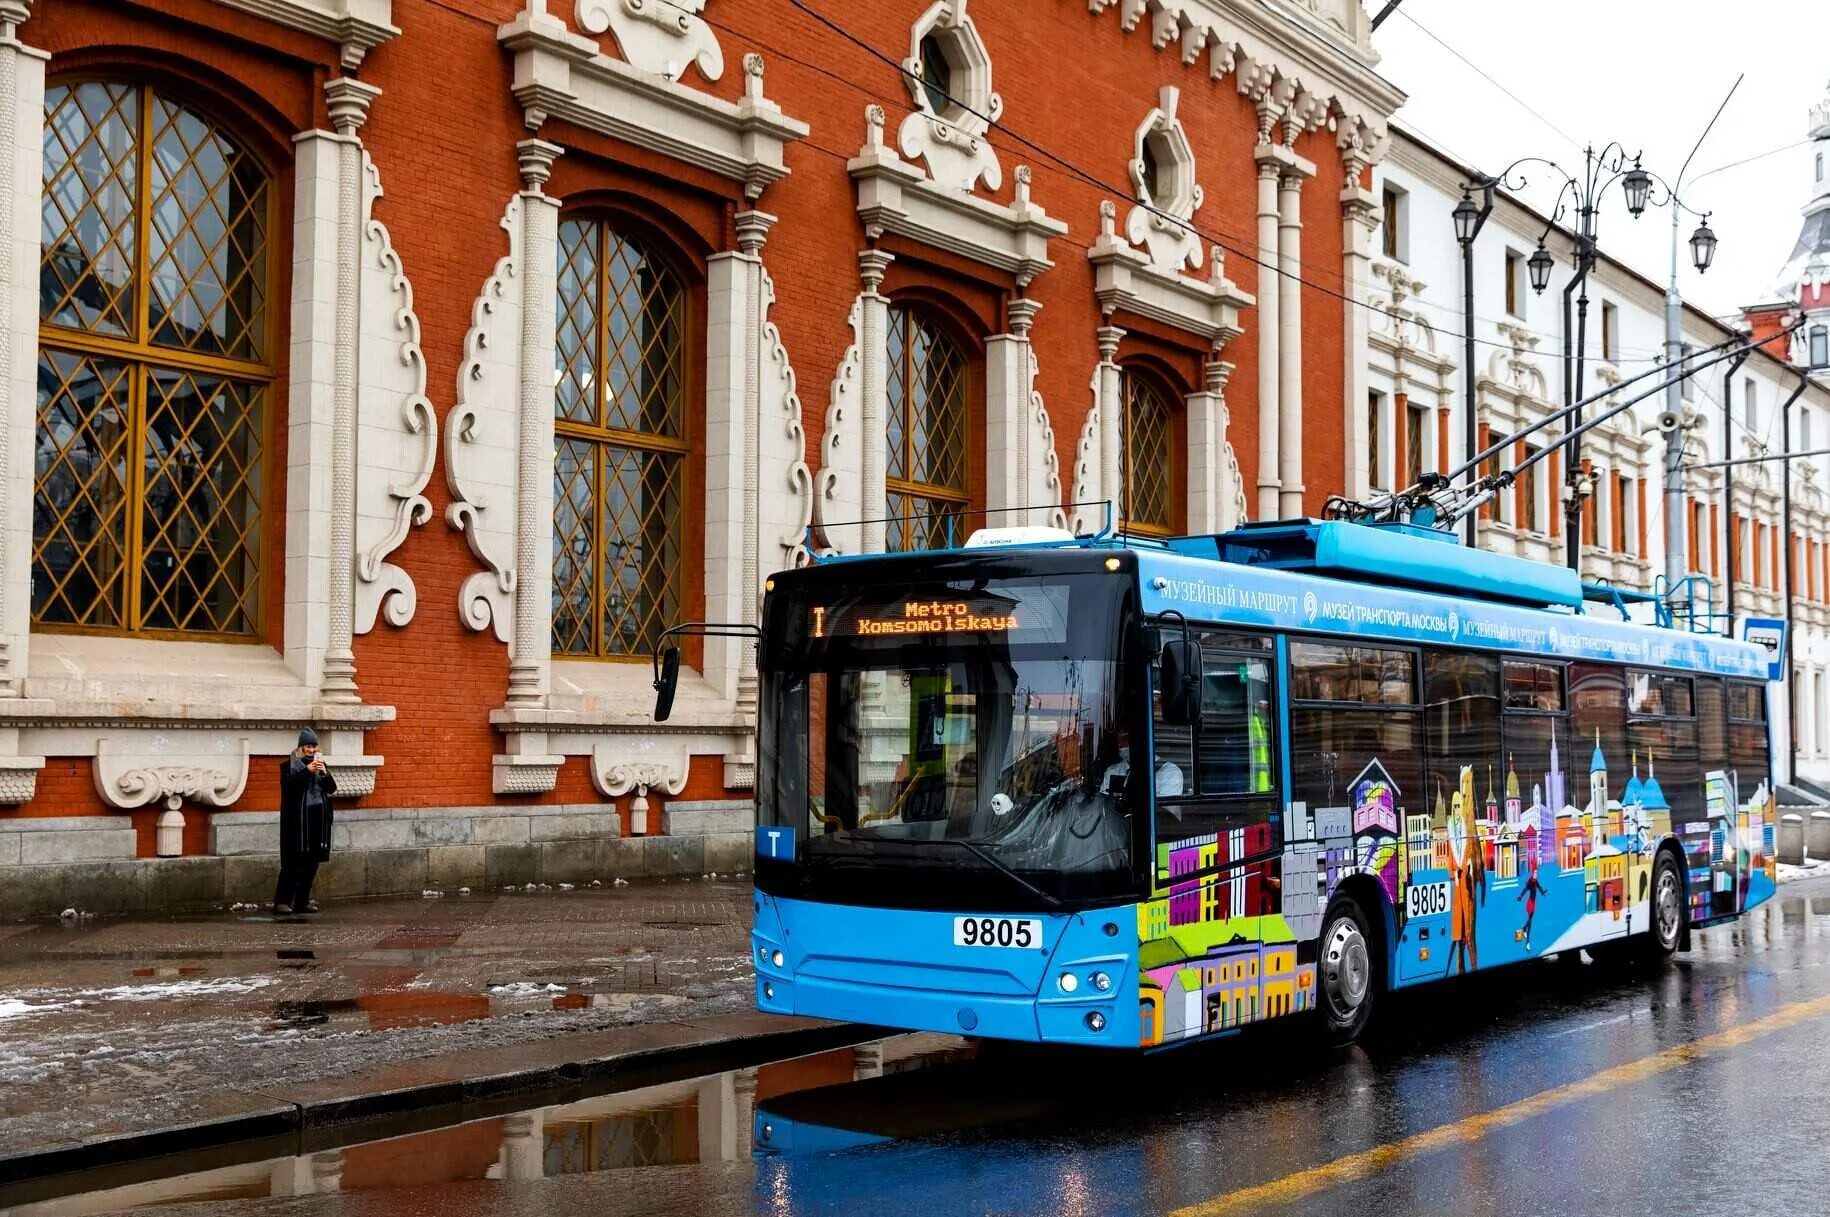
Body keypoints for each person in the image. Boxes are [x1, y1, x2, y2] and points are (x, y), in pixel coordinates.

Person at [274, 728, 336, 915]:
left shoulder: (321, 764)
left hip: (317, 819)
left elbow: (332, 789)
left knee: (312, 862)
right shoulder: (289, 766)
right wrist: (307, 772)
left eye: (314, 746)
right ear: (301, 747)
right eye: (308, 746)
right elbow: (289, 788)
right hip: (296, 823)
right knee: (293, 862)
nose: (311, 750)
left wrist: (324, 773)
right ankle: (282, 901)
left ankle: (302, 901)